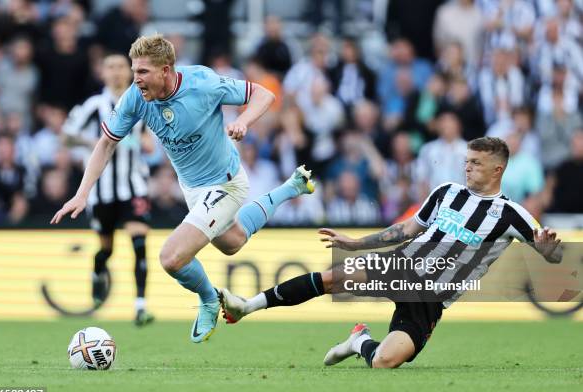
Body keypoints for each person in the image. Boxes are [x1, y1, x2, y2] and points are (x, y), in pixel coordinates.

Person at [51, 34, 315, 343]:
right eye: (134, 71)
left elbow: (264, 95)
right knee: (233, 242)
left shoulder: (202, 83)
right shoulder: (135, 97)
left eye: (143, 72)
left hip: (225, 182)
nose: (135, 79)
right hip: (192, 187)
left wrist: (243, 121)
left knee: (172, 257)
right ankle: (290, 188)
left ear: (166, 70)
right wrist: (82, 193)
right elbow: (107, 142)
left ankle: (209, 299)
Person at [220, 137, 563, 368]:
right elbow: (406, 229)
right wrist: (355, 243)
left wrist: (548, 249)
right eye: (467, 161)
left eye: (475, 162)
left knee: (384, 361)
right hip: (401, 264)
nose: (467, 167)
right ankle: (247, 305)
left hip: (430, 300)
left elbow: (553, 255)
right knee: (332, 279)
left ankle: (359, 342)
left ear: (497, 169)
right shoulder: (446, 192)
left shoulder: (511, 214)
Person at [61, 54, 154, 326]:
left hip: (134, 186)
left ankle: (140, 306)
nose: (115, 72)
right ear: (103, 73)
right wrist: (96, 142)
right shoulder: (95, 105)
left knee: (139, 243)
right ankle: (97, 272)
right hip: (102, 190)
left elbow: (149, 139)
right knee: (107, 249)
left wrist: (146, 143)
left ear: (130, 71)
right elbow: (66, 135)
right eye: (110, 67)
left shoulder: (143, 101)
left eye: (120, 67)